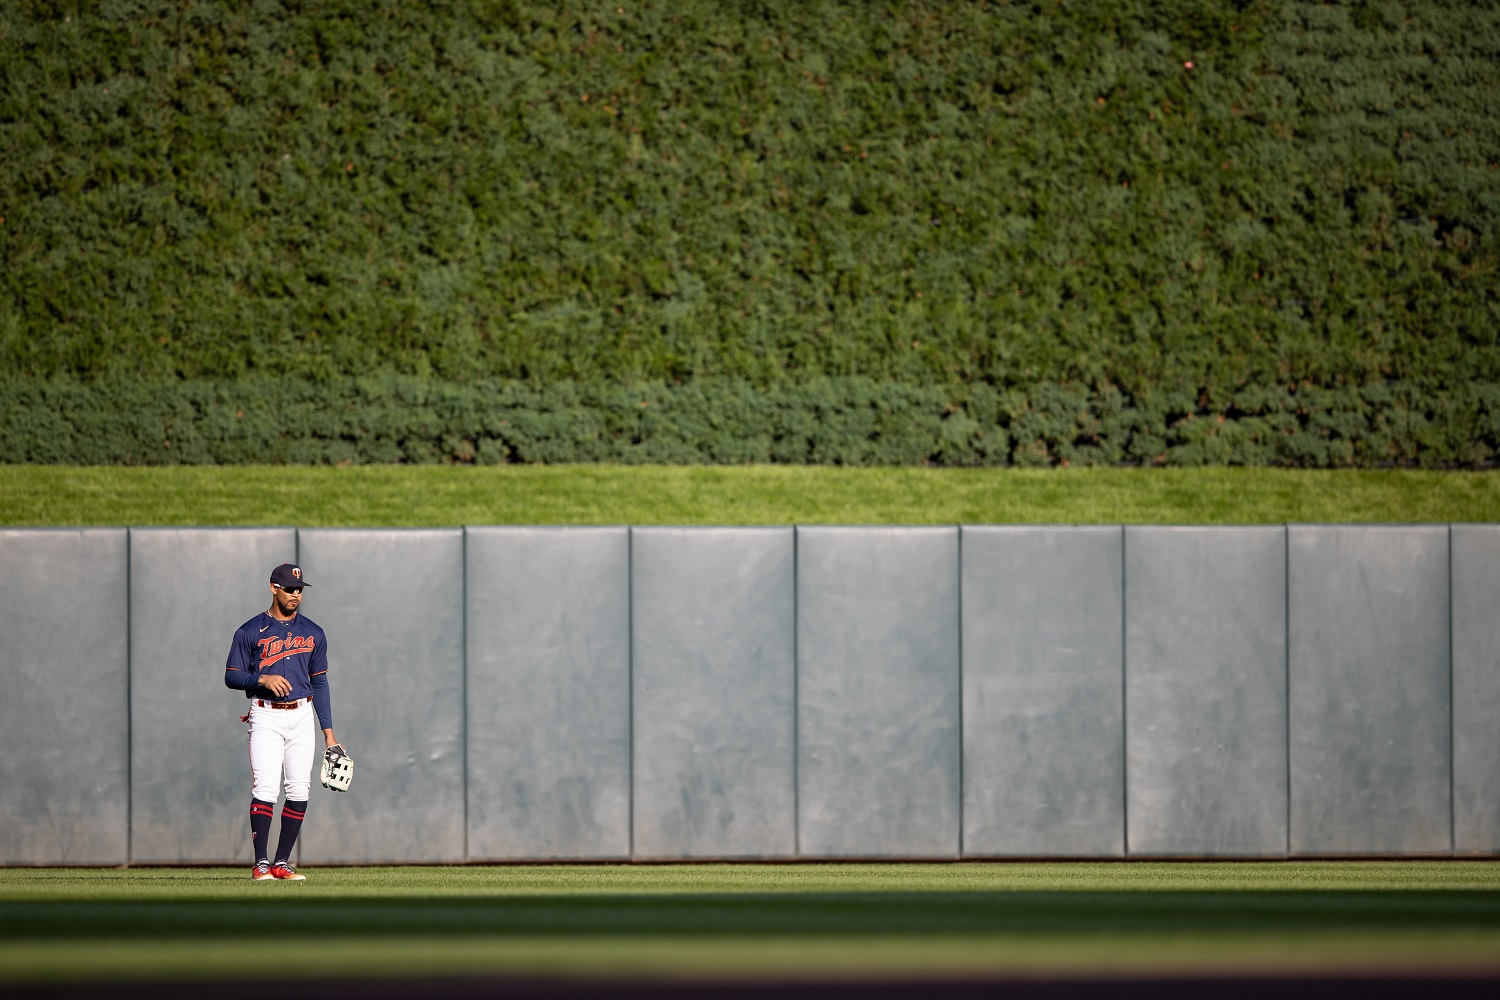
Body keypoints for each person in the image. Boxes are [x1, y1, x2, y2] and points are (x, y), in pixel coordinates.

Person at [224, 563, 341, 881]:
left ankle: (281, 863)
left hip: (302, 714)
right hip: (266, 714)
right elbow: (231, 676)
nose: (295, 594)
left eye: (299, 589)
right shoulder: (250, 631)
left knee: (300, 789)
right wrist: (261, 678)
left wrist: (329, 735)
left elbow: (320, 683)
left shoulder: (314, 633)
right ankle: (261, 864)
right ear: (273, 587)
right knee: (265, 787)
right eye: (289, 588)